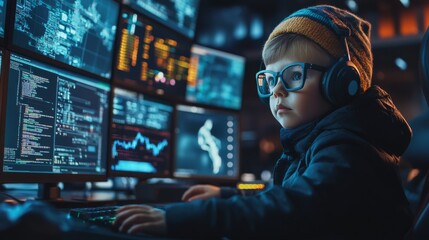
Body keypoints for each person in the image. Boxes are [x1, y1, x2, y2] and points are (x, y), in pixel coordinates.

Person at [113, 5, 414, 239]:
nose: (276, 91)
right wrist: (228, 195)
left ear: (342, 83)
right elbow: (293, 194)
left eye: (294, 76)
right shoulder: (326, 138)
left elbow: (293, 209)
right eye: (269, 80)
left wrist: (179, 219)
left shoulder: (349, 147)